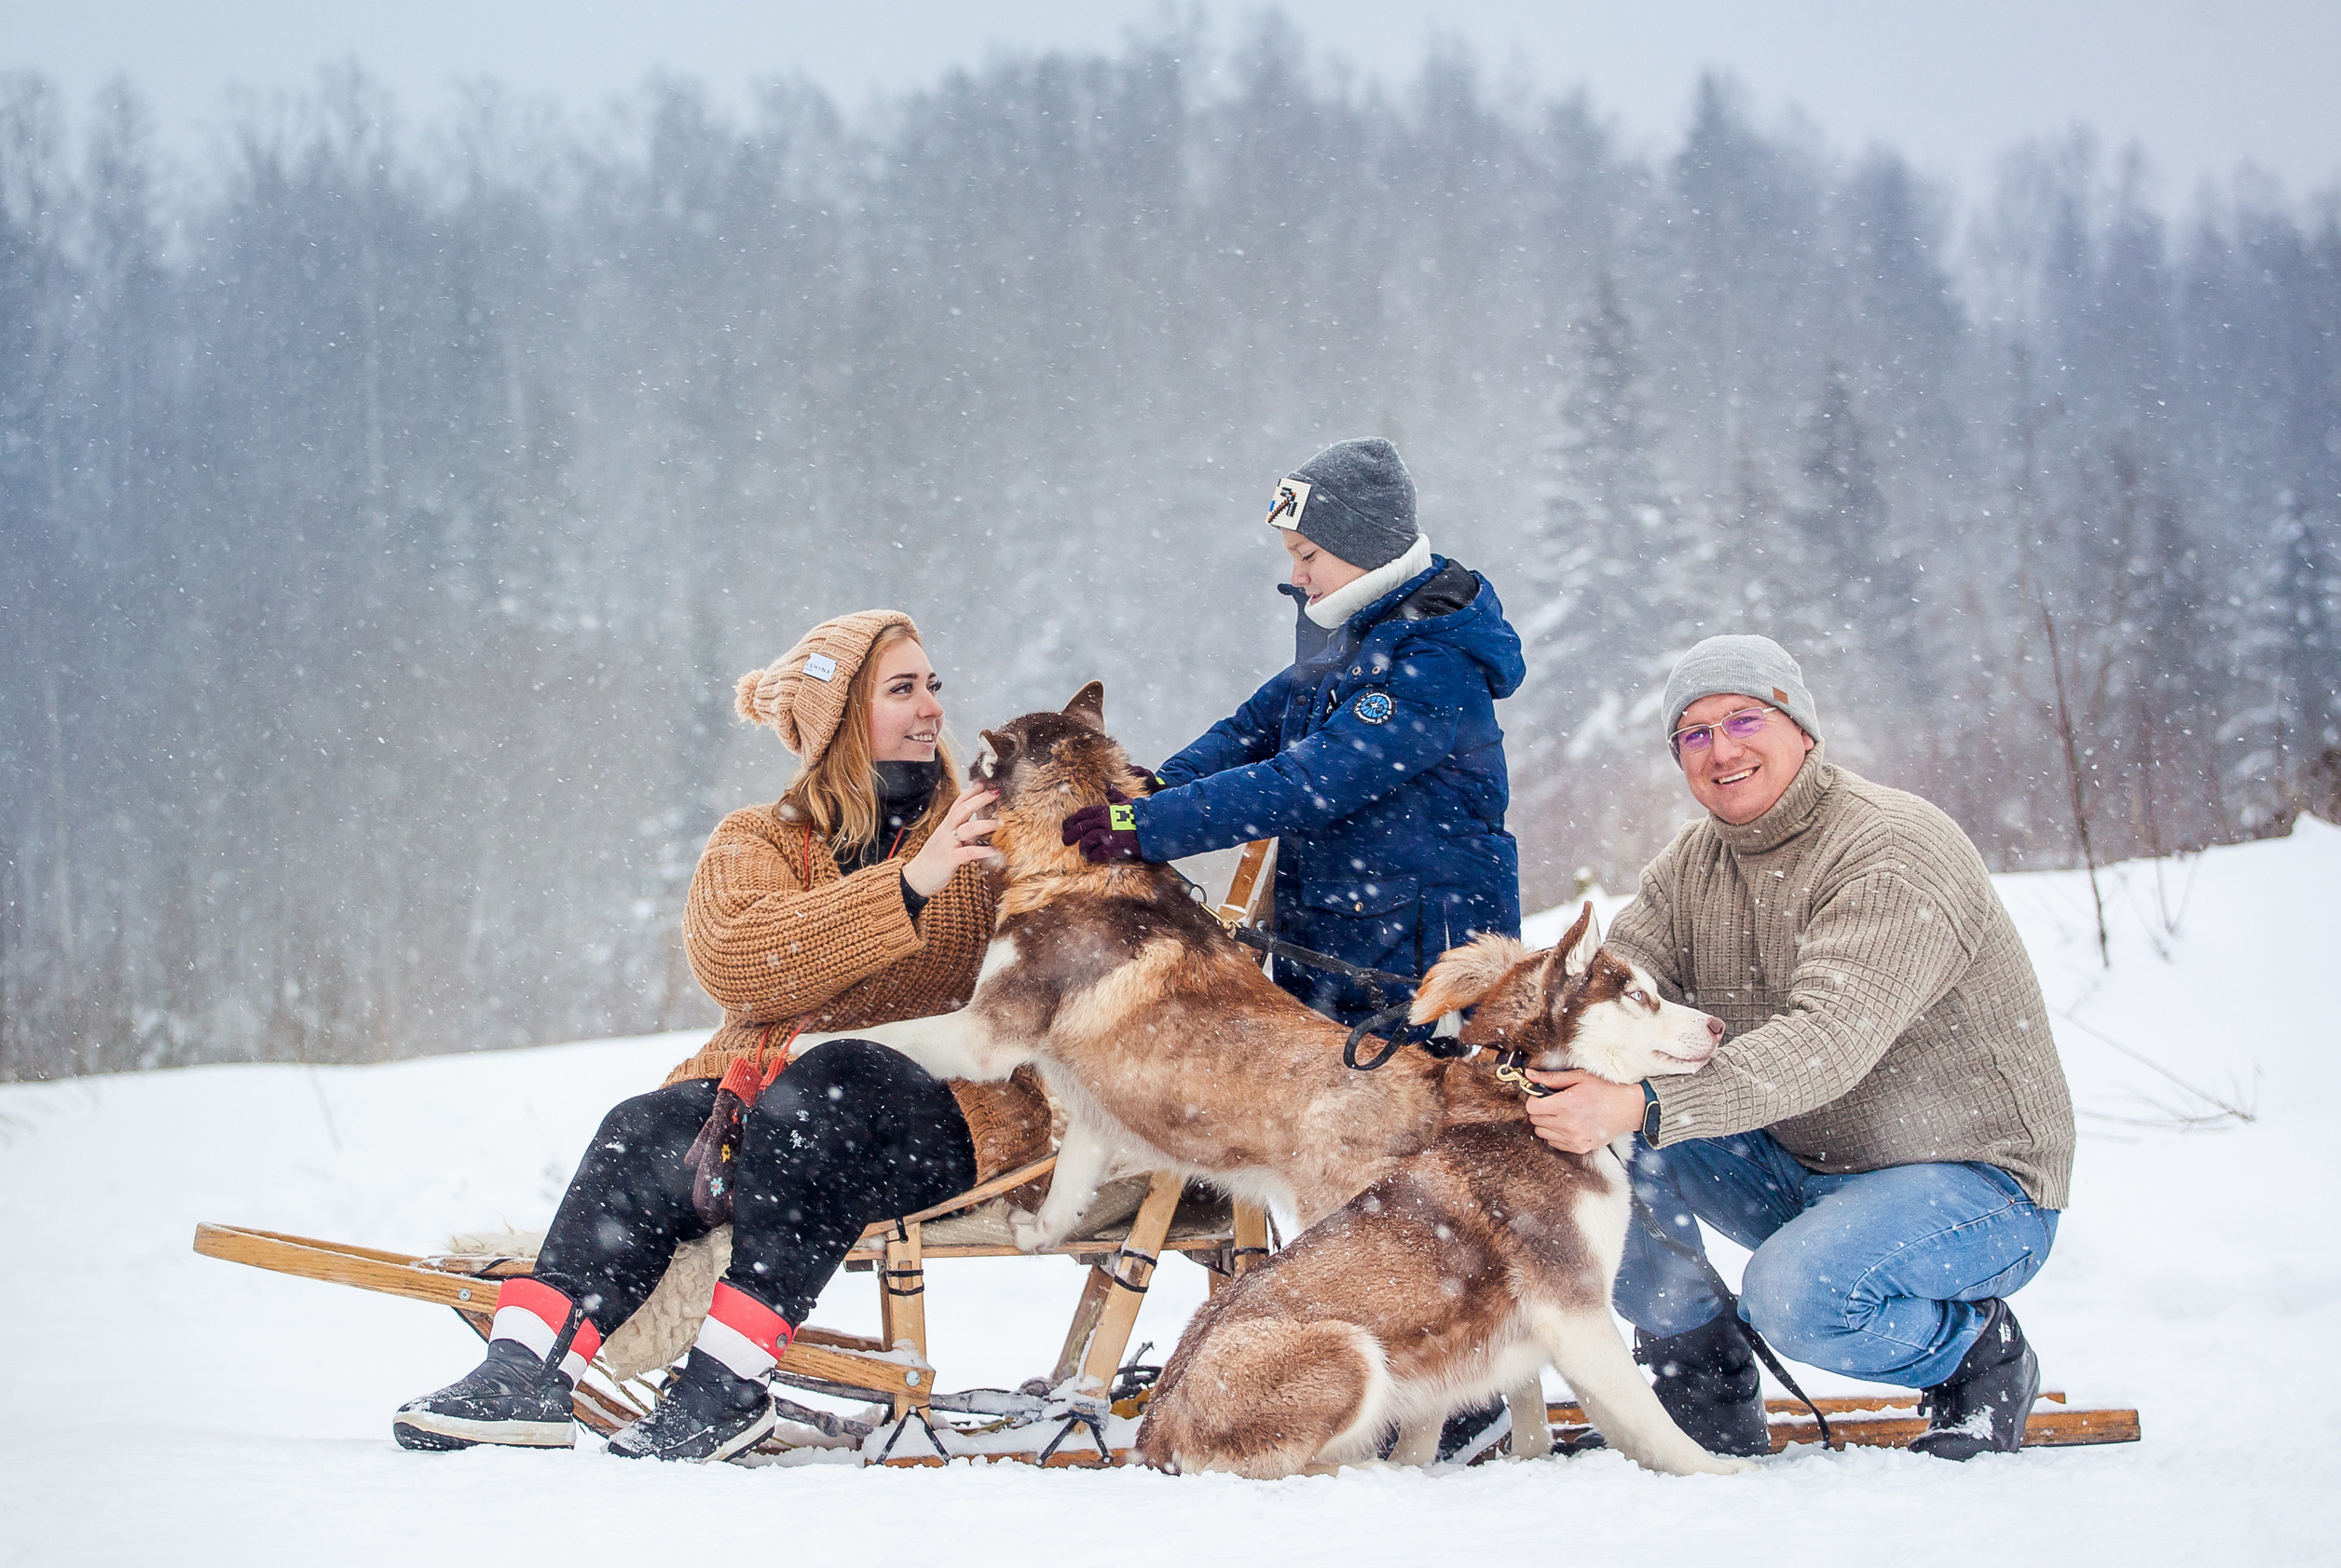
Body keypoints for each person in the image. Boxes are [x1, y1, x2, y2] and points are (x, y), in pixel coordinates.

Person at [392, 610, 1051, 1462]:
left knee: (830, 1083)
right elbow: (743, 961)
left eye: (933, 685)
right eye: (902, 688)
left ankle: (724, 1388)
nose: (932, 707)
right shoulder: (757, 838)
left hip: (947, 1123)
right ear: (841, 720)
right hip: (773, 1111)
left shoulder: (990, 832)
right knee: (644, 1125)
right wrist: (908, 885)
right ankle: (525, 1373)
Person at [1521, 634, 2076, 1460]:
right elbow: (1614, 994)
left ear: (1802, 729)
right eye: (1695, 734)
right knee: (1588, 1134)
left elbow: (1830, 1039)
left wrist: (1647, 1099)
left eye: (1744, 718)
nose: (1722, 748)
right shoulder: (1692, 863)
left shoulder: (1892, 849)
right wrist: (1517, 1045)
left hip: (1975, 1182)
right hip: (1804, 1167)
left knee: (1795, 1298)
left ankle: (1978, 1359)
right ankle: (1702, 1380)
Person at [1065, 437, 1526, 1029]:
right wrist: (1152, 787)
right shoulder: (1357, 636)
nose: (1297, 575)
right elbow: (1253, 728)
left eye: (1307, 554)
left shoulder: (1434, 665)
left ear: (1361, 546)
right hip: (1344, 949)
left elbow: (1306, 783)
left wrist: (1147, 827)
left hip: (1420, 975)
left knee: (1419, 1118)